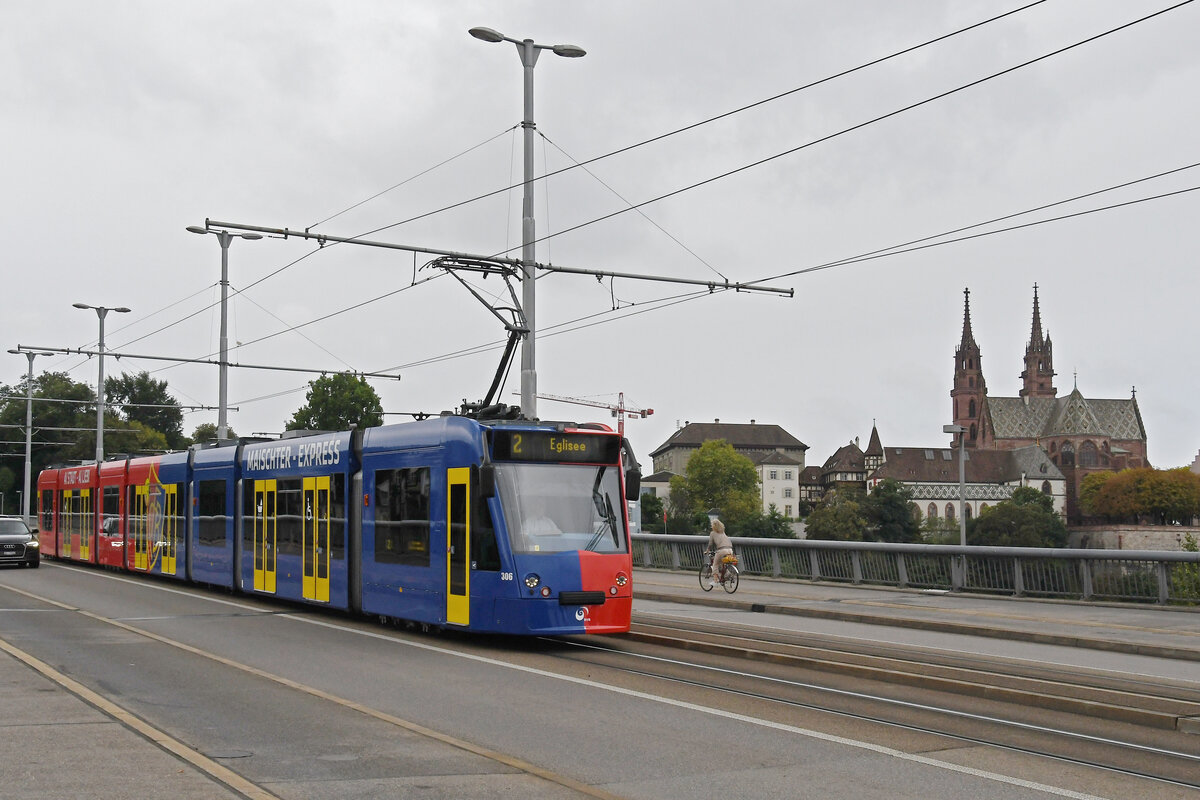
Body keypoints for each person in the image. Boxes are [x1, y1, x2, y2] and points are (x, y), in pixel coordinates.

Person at [707, 518, 733, 584]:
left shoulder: (712, 533)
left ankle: (716, 581)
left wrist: (708, 550)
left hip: (722, 550)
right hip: (730, 550)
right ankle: (728, 574)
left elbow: (710, 544)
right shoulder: (723, 532)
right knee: (722, 563)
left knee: (715, 564)